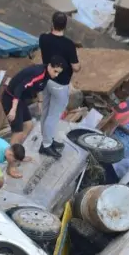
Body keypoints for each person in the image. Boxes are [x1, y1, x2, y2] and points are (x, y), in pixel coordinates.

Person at [1, 57, 65, 176]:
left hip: (20, 101)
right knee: (18, 132)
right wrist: (13, 110)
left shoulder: (47, 75)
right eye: (55, 71)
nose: (56, 75)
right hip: (11, 99)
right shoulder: (38, 73)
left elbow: (39, 87)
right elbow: (19, 89)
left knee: (28, 125)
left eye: (58, 73)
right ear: (49, 66)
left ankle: (18, 154)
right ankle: (10, 166)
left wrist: (40, 102)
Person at [38, 12, 80, 159]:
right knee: (53, 116)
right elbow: (75, 67)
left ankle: (46, 139)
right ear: (66, 26)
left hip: (46, 79)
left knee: (45, 111)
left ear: (52, 23)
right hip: (60, 84)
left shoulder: (43, 38)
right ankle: (47, 145)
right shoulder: (68, 44)